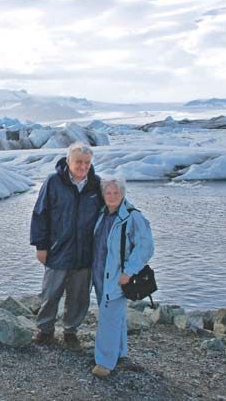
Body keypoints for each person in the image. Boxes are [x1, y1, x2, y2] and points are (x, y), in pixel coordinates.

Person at [30, 142, 102, 350]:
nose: (83, 167)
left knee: (79, 295)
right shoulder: (54, 182)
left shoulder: (95, 184)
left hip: (85, 252)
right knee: (51, 292)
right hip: (57, 249)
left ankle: (71, 332)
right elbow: (40, 215)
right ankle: (45, 330)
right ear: (69, 161)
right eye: (78, 162)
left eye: (87, 163)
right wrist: (40, 246)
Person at [91, 177, 154, 377]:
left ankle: (104, 363)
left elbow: (145, 247)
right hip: (101, 274)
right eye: (108, 193)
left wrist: (129, 271)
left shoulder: (132, 217)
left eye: (115, 193)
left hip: (118, 277)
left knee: (108, 318)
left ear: (123, 194)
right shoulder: (103, 214)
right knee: (114, 315)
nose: (111, 196)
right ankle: (119, 352)